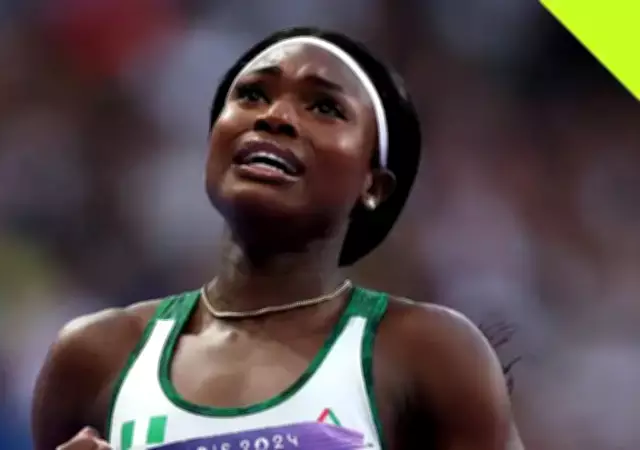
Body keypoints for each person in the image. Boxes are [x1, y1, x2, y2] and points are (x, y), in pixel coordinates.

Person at [32, 27, 524, 450]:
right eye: (251, 95)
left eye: (325, 107)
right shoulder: (94, 357)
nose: (275, 116)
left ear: (373, 185)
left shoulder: (429, 353)